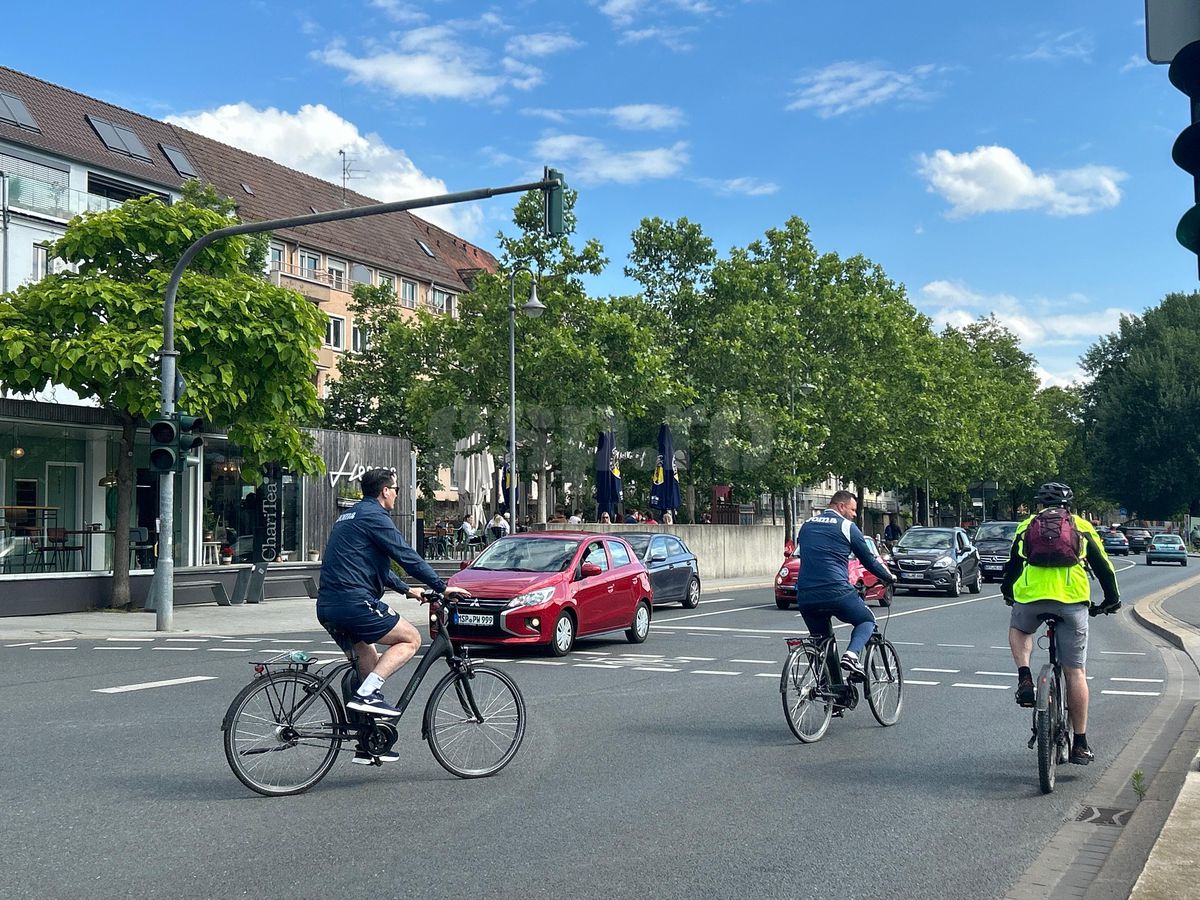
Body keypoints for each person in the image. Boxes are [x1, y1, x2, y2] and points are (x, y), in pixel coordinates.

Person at [316, 468, 469, 762]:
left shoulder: (350, 515)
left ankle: (367, 744)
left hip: (328, 605)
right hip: (354, 602)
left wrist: (406, 590)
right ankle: (367, 694)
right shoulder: (375, 516)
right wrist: (442, 586)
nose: (398, 495)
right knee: (410, 639)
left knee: (369, 660)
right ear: (385, 490)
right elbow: (406, 555)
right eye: (397, 489)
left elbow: (370, 565)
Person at [1002, 482, 1120, 766]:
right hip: (1072, 602)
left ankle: (1025, 677)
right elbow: (1104, 566)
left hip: (1031, 598)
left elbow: (1012, 567)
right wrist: (1111, 600)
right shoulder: (1080, 526)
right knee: (1076, 672)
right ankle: (1080, 743)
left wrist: (1009, 593)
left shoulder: (1026, 526)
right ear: (1069, 504)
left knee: (1019, 630)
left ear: (1039, 505)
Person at [794, 490, 897, 681]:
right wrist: (888, 577)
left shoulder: (806, 526)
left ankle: (832, 696)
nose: (854, 514)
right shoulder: (847, 527)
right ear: (841, 506)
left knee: (822, 643)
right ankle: (852, 655)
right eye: (853, 509)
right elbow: (869, 561)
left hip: (806, 595)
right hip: (836, 591)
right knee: (866, 620)